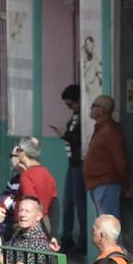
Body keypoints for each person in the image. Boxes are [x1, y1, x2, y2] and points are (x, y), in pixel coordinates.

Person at [83, 95, 129, 220]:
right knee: (103, 225)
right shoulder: (100, 128)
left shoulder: (110, 130)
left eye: (93, 106)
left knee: (109, 226)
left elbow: (119, 161)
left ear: (101, 110)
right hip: (98, 184)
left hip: (106, 184)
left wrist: (126, 185)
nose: (91, 109)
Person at [56, 84, 85, 254]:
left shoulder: (82, 119)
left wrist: (65, 135)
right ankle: (67, 238)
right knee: (68, 201)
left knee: (78, 202)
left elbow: (79, 139)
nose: (70, 108)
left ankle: (81, 241)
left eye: (71, 104)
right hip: (72, 163)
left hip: (78, 164)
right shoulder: (75, 117)